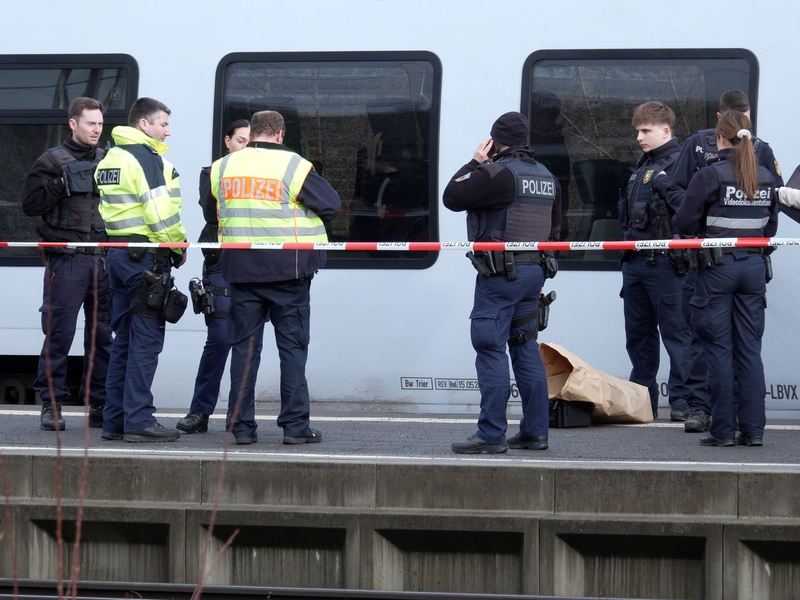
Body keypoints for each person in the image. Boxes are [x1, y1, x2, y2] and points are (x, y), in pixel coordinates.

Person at [211, 110, 341, 445]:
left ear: (252, 132)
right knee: (292, 351)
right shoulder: (293, 165)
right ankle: (295, 427)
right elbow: (331, 205)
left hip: (240, 272)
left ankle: (241, 427)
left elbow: (211, 209)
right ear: (280, 134)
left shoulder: (223, 167)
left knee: (244, 351)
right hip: (288, 273)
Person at [443, 111, 560, 454]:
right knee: (525, 346)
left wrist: (474, 162)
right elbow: (554, 231)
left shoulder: (495, 174)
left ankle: (491, 434)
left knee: (490, 346)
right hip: (534, 274)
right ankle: (535, 432)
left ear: (495, 142)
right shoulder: (548, 177)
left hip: (500, 276)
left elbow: (452, 196)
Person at [666, 90, 783, 434]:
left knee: (715, 348)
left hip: (716, 269)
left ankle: (721, 431)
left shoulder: (710, 175)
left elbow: (684, 222)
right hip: (754, 268)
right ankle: (753, 429)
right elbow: (770, 228)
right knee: (749, 349)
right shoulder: (765, 177)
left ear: (719, 137)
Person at [95, 97, 187, 442]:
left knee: (124, 340)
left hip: (118, 256)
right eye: (163, 124)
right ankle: (138, 420)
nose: (167, 131)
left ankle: (115, 420)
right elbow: (160, 213)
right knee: (146, 341)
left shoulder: (111, 157)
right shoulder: (146, 158)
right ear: (143, 124)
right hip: (145, 258)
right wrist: (178, 247)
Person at [21, 97, 113, 431]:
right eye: (91, 123)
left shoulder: (108, 160)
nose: (97, 130)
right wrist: (60, 184)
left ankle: (99, 403)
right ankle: (51, 403)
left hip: (102, 260)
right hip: (67, 261)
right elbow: (30, 205)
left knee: (102, 336)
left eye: (100, 124)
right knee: (59, 334)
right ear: (73, 123)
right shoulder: (51, 160)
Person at [617, 101, 692, 422]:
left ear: (665, 131)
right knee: (638, 335)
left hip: (666, 264)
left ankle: (683, 401)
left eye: (645, 130)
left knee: (677, 334)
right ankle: (642, 399)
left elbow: (688, 210)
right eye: (637, 130)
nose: (639, 137)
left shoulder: (680, 164)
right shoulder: (642, 165)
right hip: (635, 263)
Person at [177, 119, 251, 434]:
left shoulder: (265, 174)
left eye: (251, 142)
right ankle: (200, 412)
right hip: (221, 260)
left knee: (248, 341)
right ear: (227, 142)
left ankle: (240, 417)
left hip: (255, 264)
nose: (246, 147)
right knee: (220, 338)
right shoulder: (212, 172)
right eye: (240, 141)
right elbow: (211, 212)